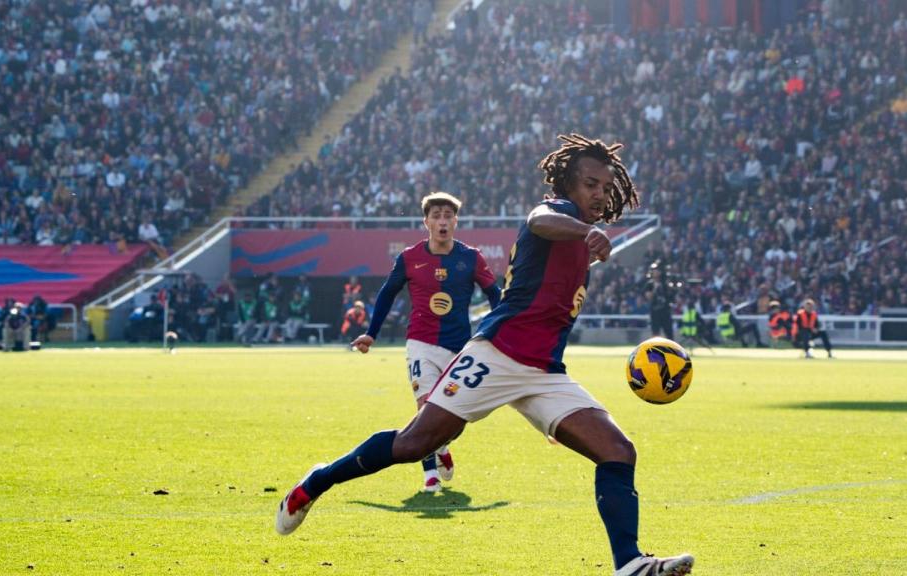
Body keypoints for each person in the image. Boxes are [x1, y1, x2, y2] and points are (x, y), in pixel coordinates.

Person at [276, 135, 694, 576]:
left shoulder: (578, 237)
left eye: (605, 188)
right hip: (496, 353)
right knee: (415, 443)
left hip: (545, 372)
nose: (599, 194)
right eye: (590, 183)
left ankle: (629, 563)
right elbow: (538, 219)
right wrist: (585, 229)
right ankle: (317, 481)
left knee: (618, 450)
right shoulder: (559, 215)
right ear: (568, 183)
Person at [351, 191, 501, 492]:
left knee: (454, 420)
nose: (442, 221)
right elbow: (386, 294)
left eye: (448, 215)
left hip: (460, 348)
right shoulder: (409, 258)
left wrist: (501, 329)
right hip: (420, 343)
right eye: (436, 216)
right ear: (426, 222)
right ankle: (430, 472)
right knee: (425, 411)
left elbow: (495, 294)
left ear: (456, 221)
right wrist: (372, 332)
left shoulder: (471, 258)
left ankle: (442, 446)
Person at [644, 261, 675, 339]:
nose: (657, 273)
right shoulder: (650, 284)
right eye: (655, 271)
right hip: (655, 312)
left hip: (665, 311)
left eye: (658, 271)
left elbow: (671, 295)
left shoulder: (665, 283)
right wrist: (655, 288)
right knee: (655, 334)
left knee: (669, 333)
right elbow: (648, 297)